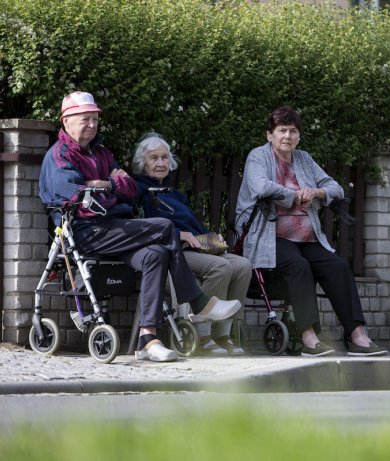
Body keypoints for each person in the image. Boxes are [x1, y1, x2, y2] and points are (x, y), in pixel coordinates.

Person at [39, 91, 242, 362]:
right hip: (87, 233)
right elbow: (77, 197)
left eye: (95, 119)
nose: (92, 124)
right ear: (66, 121)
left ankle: (148, 340)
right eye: (85, 119)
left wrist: (107, 185)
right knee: (165, 227)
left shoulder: (102, 153)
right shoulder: (59, 156)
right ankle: (199, 302)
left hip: (115, 228)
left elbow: (129, 187)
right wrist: (108, 187)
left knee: (155, 255)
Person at [235, 106, 387, 357]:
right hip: (269, 236)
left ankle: (357, 335)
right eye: (281, 130)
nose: (287, 136)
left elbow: (335, 187)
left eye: (292, 131)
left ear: (299, 136)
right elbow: (261, 187)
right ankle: (309, 337)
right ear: (269, 135)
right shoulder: (258, 157)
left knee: (338, 267)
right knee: (299, 266)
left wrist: (316, 192)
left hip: (306, 236)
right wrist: (295, 196)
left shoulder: (304, 158)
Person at [132, 133, 252, 356]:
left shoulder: (173, 194)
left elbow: (194, 227)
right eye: (153, 158)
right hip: (172, 252)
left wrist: (211, 238)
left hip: (195, 248)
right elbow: (143, 227)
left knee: (243, 265)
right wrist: (178, 234)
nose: (160, 163)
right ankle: (202, 335)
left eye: (165, 158)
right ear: (142, 163)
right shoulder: (140, 192)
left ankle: (222, 334)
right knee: (220, 267)